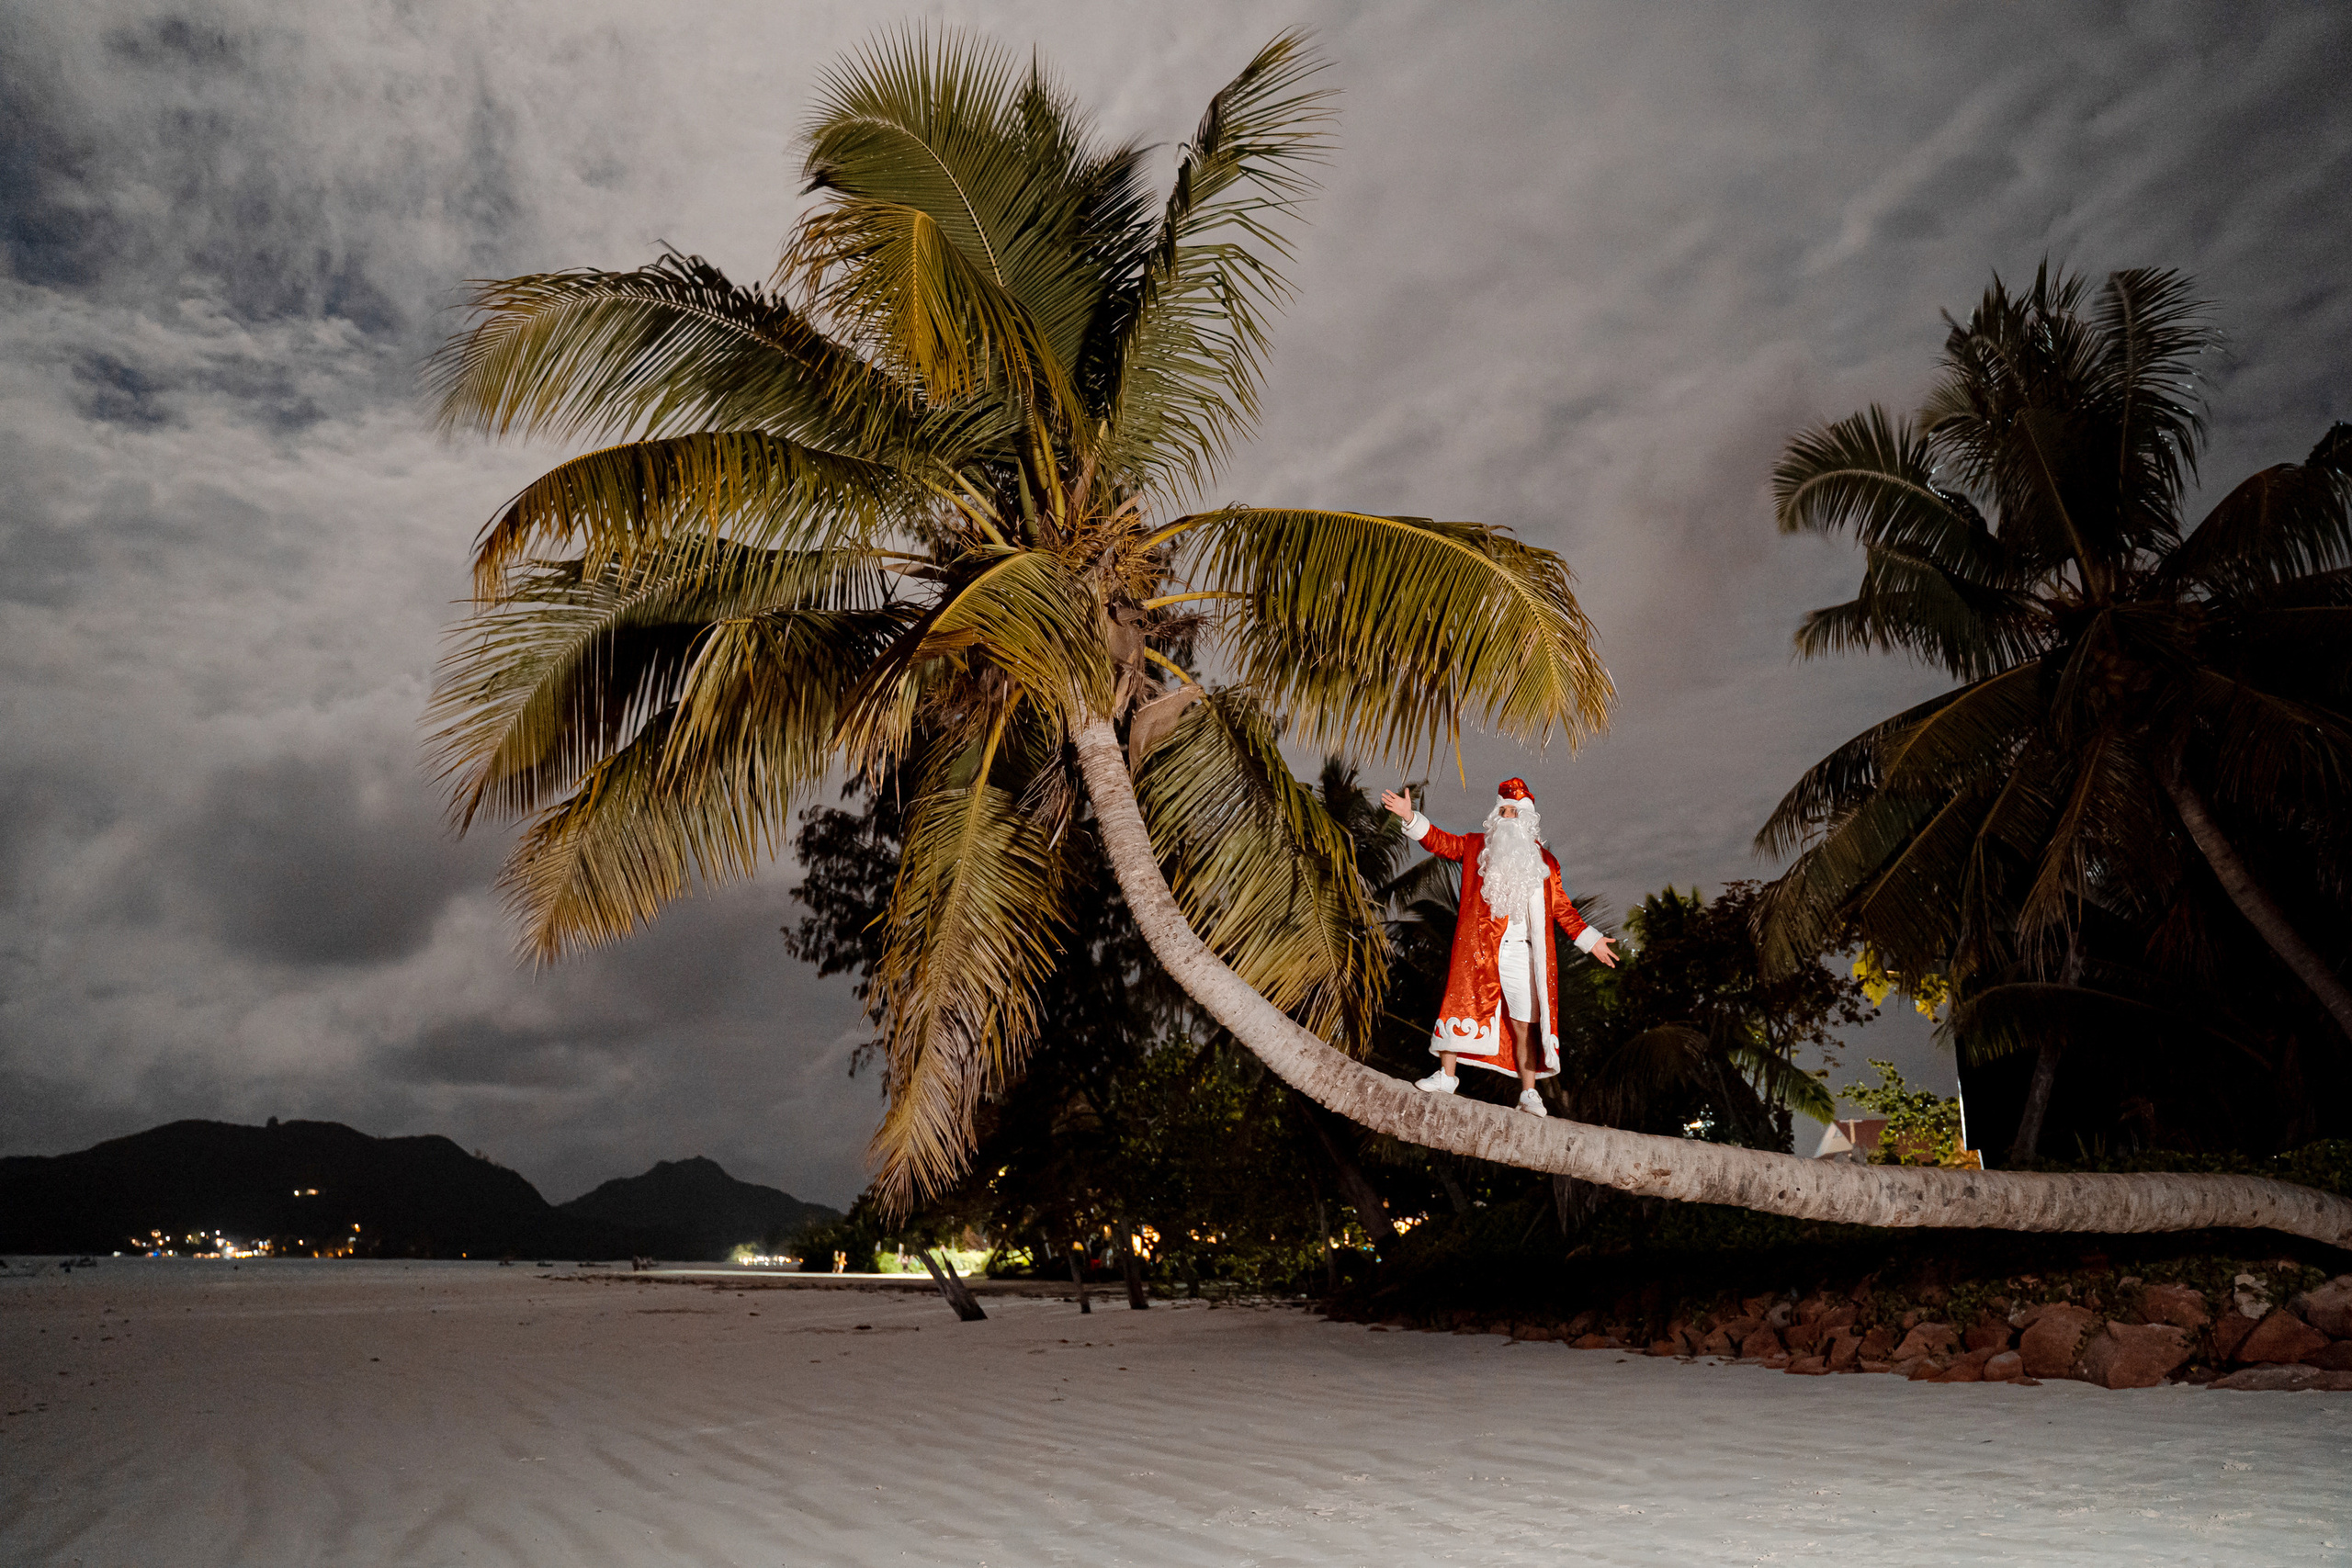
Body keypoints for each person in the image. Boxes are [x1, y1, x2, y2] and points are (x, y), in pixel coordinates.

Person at [1379, 777, 1618, 1116]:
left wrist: (1591, 942)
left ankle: (1529, 1094)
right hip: (1481, 947)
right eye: (1502, 810)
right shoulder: (1478, 845)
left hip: (1524, 953)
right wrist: (1410, 817)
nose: (1507, 816)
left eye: (1514, 811)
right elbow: (1442, 842)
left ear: (1527, 820)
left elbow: (1561, 908)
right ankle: (1447, 1076)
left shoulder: (1546, 863)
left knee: (1525, 1024)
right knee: (1460, 1003)